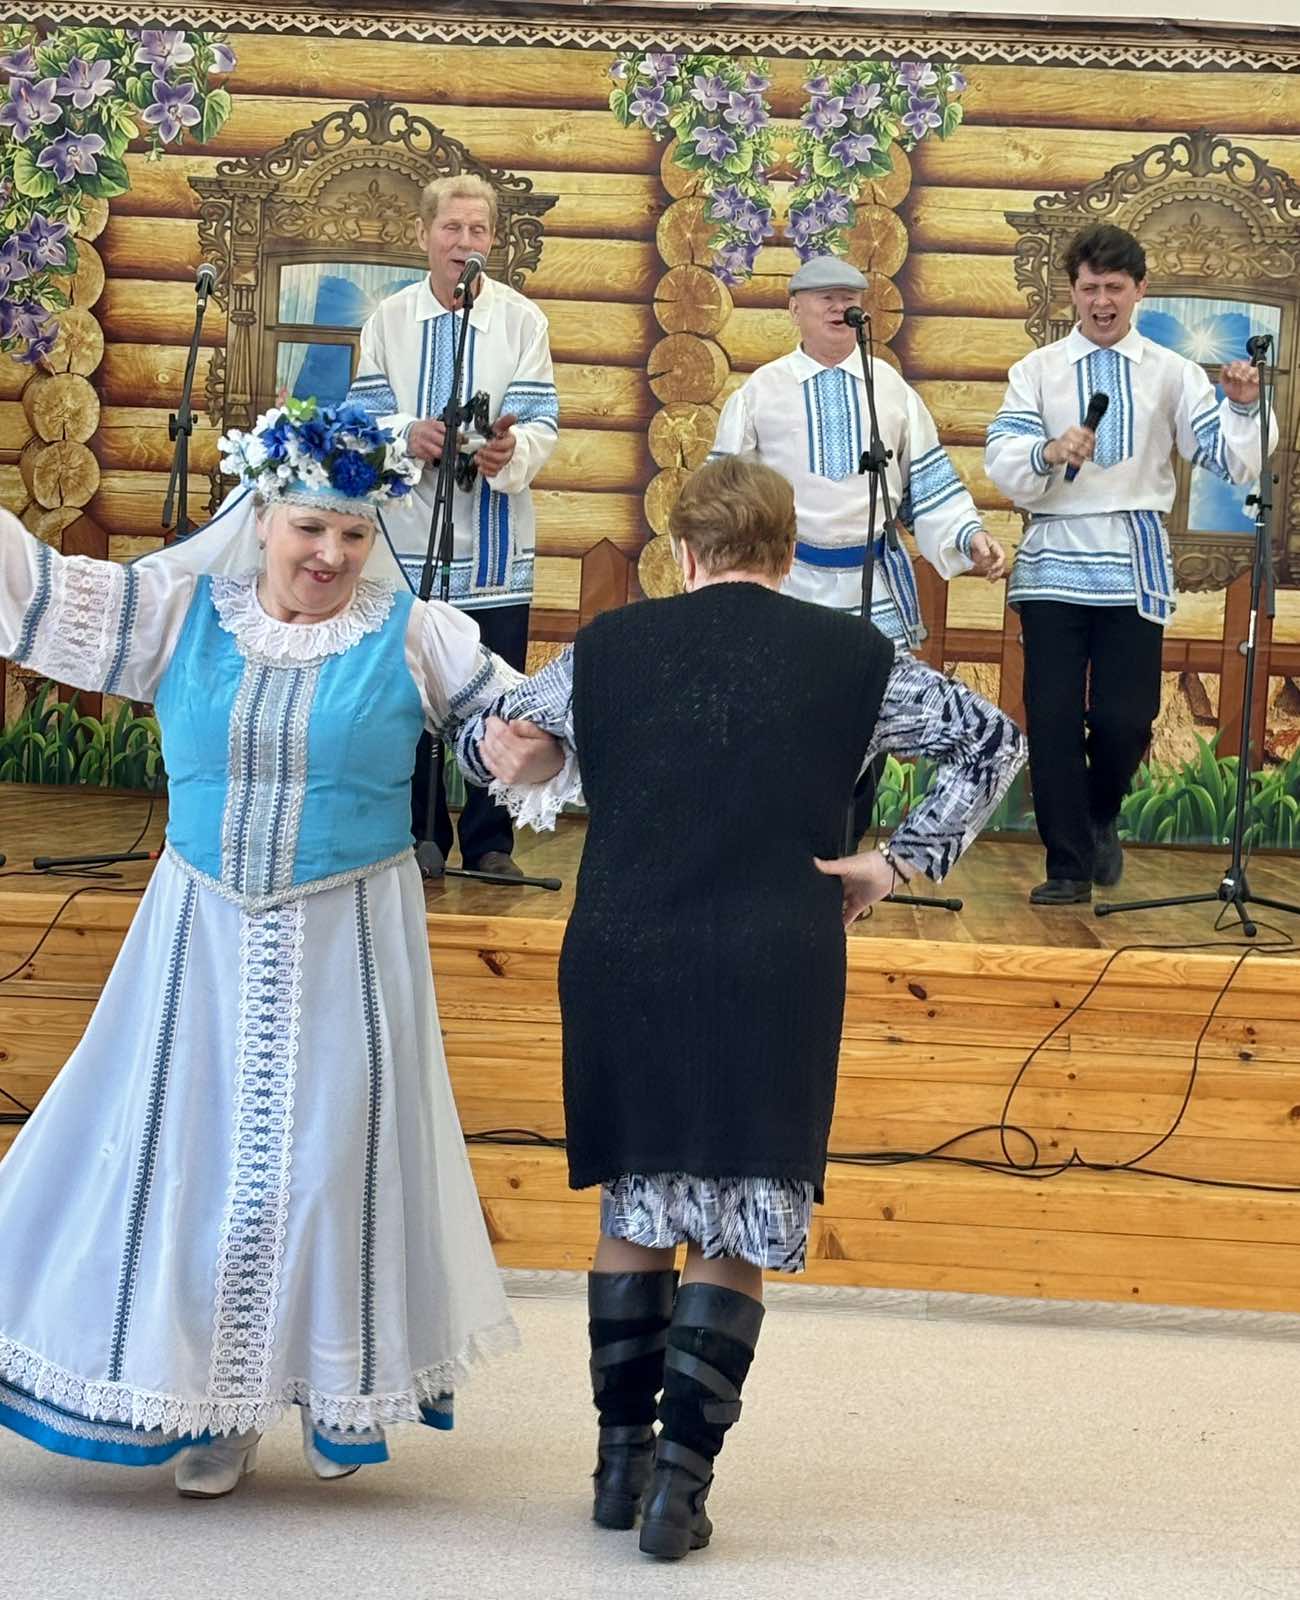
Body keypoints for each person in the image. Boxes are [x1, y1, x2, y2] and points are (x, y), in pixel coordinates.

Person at [452, 454, 1026, 1561]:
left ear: (682, 554)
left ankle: (617, 1467)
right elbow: (995, 743)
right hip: (774, 953)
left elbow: (505, 749)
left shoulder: (605, 647)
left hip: (626, 949)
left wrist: (521, 746)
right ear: (788, 552)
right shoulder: (857, 656)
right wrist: (894, 863)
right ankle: (680, 1486)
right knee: (742, 1210)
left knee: (637, 1200)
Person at [0, 401, 518, 1495]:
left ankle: (331, 1390)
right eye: (310, 529)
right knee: (191, 1162)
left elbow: (503, 728)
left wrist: (525, 746)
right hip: (199, 935)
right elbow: (37, 592)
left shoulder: (415, 634)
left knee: (331, 1167)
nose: (330, 554)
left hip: (351, 939)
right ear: (264, 517)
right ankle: (214, 1409)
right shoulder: (177, 613)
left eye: (353, 534)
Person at [986, 222, 1278, 905]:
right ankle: (1067, 865)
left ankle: (1100, 814)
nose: (1102, 302)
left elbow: (1229, 461)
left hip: (1131, 558)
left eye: (1114, 288)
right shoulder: (1037, 371)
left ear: (1139, 290)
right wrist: (1048, 451)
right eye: (1090, 288)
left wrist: (1242, 410)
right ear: (1072, 291)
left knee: (1126, 717)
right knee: (1053, 717)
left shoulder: (1172, 372)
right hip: (1055, 557)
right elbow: (1003, 458)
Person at [708, 254, 1007, 841]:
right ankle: (785, 852)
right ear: (794, 309)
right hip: (788, 583)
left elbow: (927, 483)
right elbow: (724, 491)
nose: (837, 306)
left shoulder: (889, 391)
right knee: (787, 720)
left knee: (867, 718)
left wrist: (969, 536)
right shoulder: (762, 391)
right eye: (823, 296)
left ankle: (845, 854)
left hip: (873, 582)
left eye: (848, 297)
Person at [345, 172, 559, 878]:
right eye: (451, 228)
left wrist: (508, 451)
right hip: (408, 540)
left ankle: (492, 842)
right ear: (424, 235)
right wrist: (408, 434)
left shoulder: (522, 321)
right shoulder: (389, 320)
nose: (465, 242)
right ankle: (418, 834)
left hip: (493, 546)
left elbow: (541, 424)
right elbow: (364, 422)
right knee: (409, 692)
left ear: (492, 240)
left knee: (498, 691)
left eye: (478, 230)